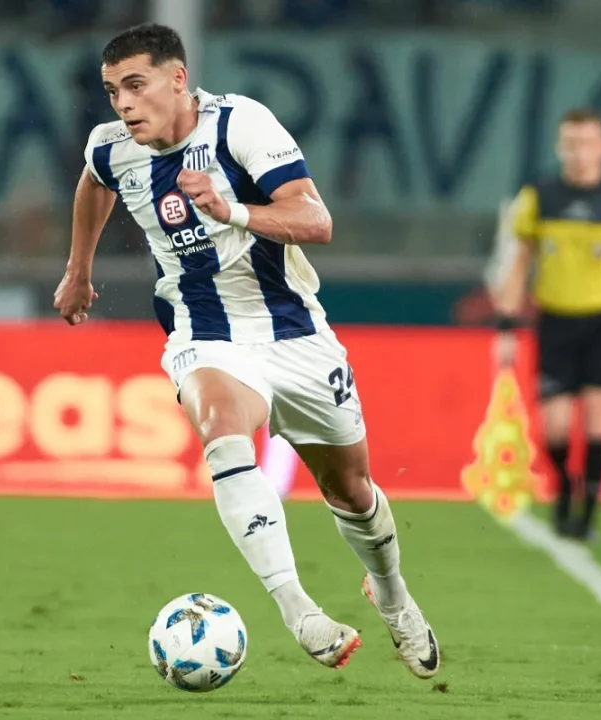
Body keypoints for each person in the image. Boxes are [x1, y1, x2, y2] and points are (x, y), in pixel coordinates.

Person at [53, 23, 438, 678]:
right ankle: (299, 611)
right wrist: (78, 270)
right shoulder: (112, 147)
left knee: (351, 491)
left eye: (136, 85)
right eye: (114, 90)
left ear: (178, 79)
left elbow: (316, 220)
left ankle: (393, 595)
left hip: (294, 333)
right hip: (204, 332)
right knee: (223, 433)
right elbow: (94, 183)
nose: (123, 104)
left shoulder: (239, 126)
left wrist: (231, 211)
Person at [494, 107, 601, 541]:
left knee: (597, 420)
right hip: (556, 321)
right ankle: (563, 484)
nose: (578, 153)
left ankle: (587, 513)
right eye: (570, 144)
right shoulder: (540, 196)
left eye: (587, 143)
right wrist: (506, 327)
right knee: (554, 425)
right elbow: (520, 263)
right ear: (559, 147)